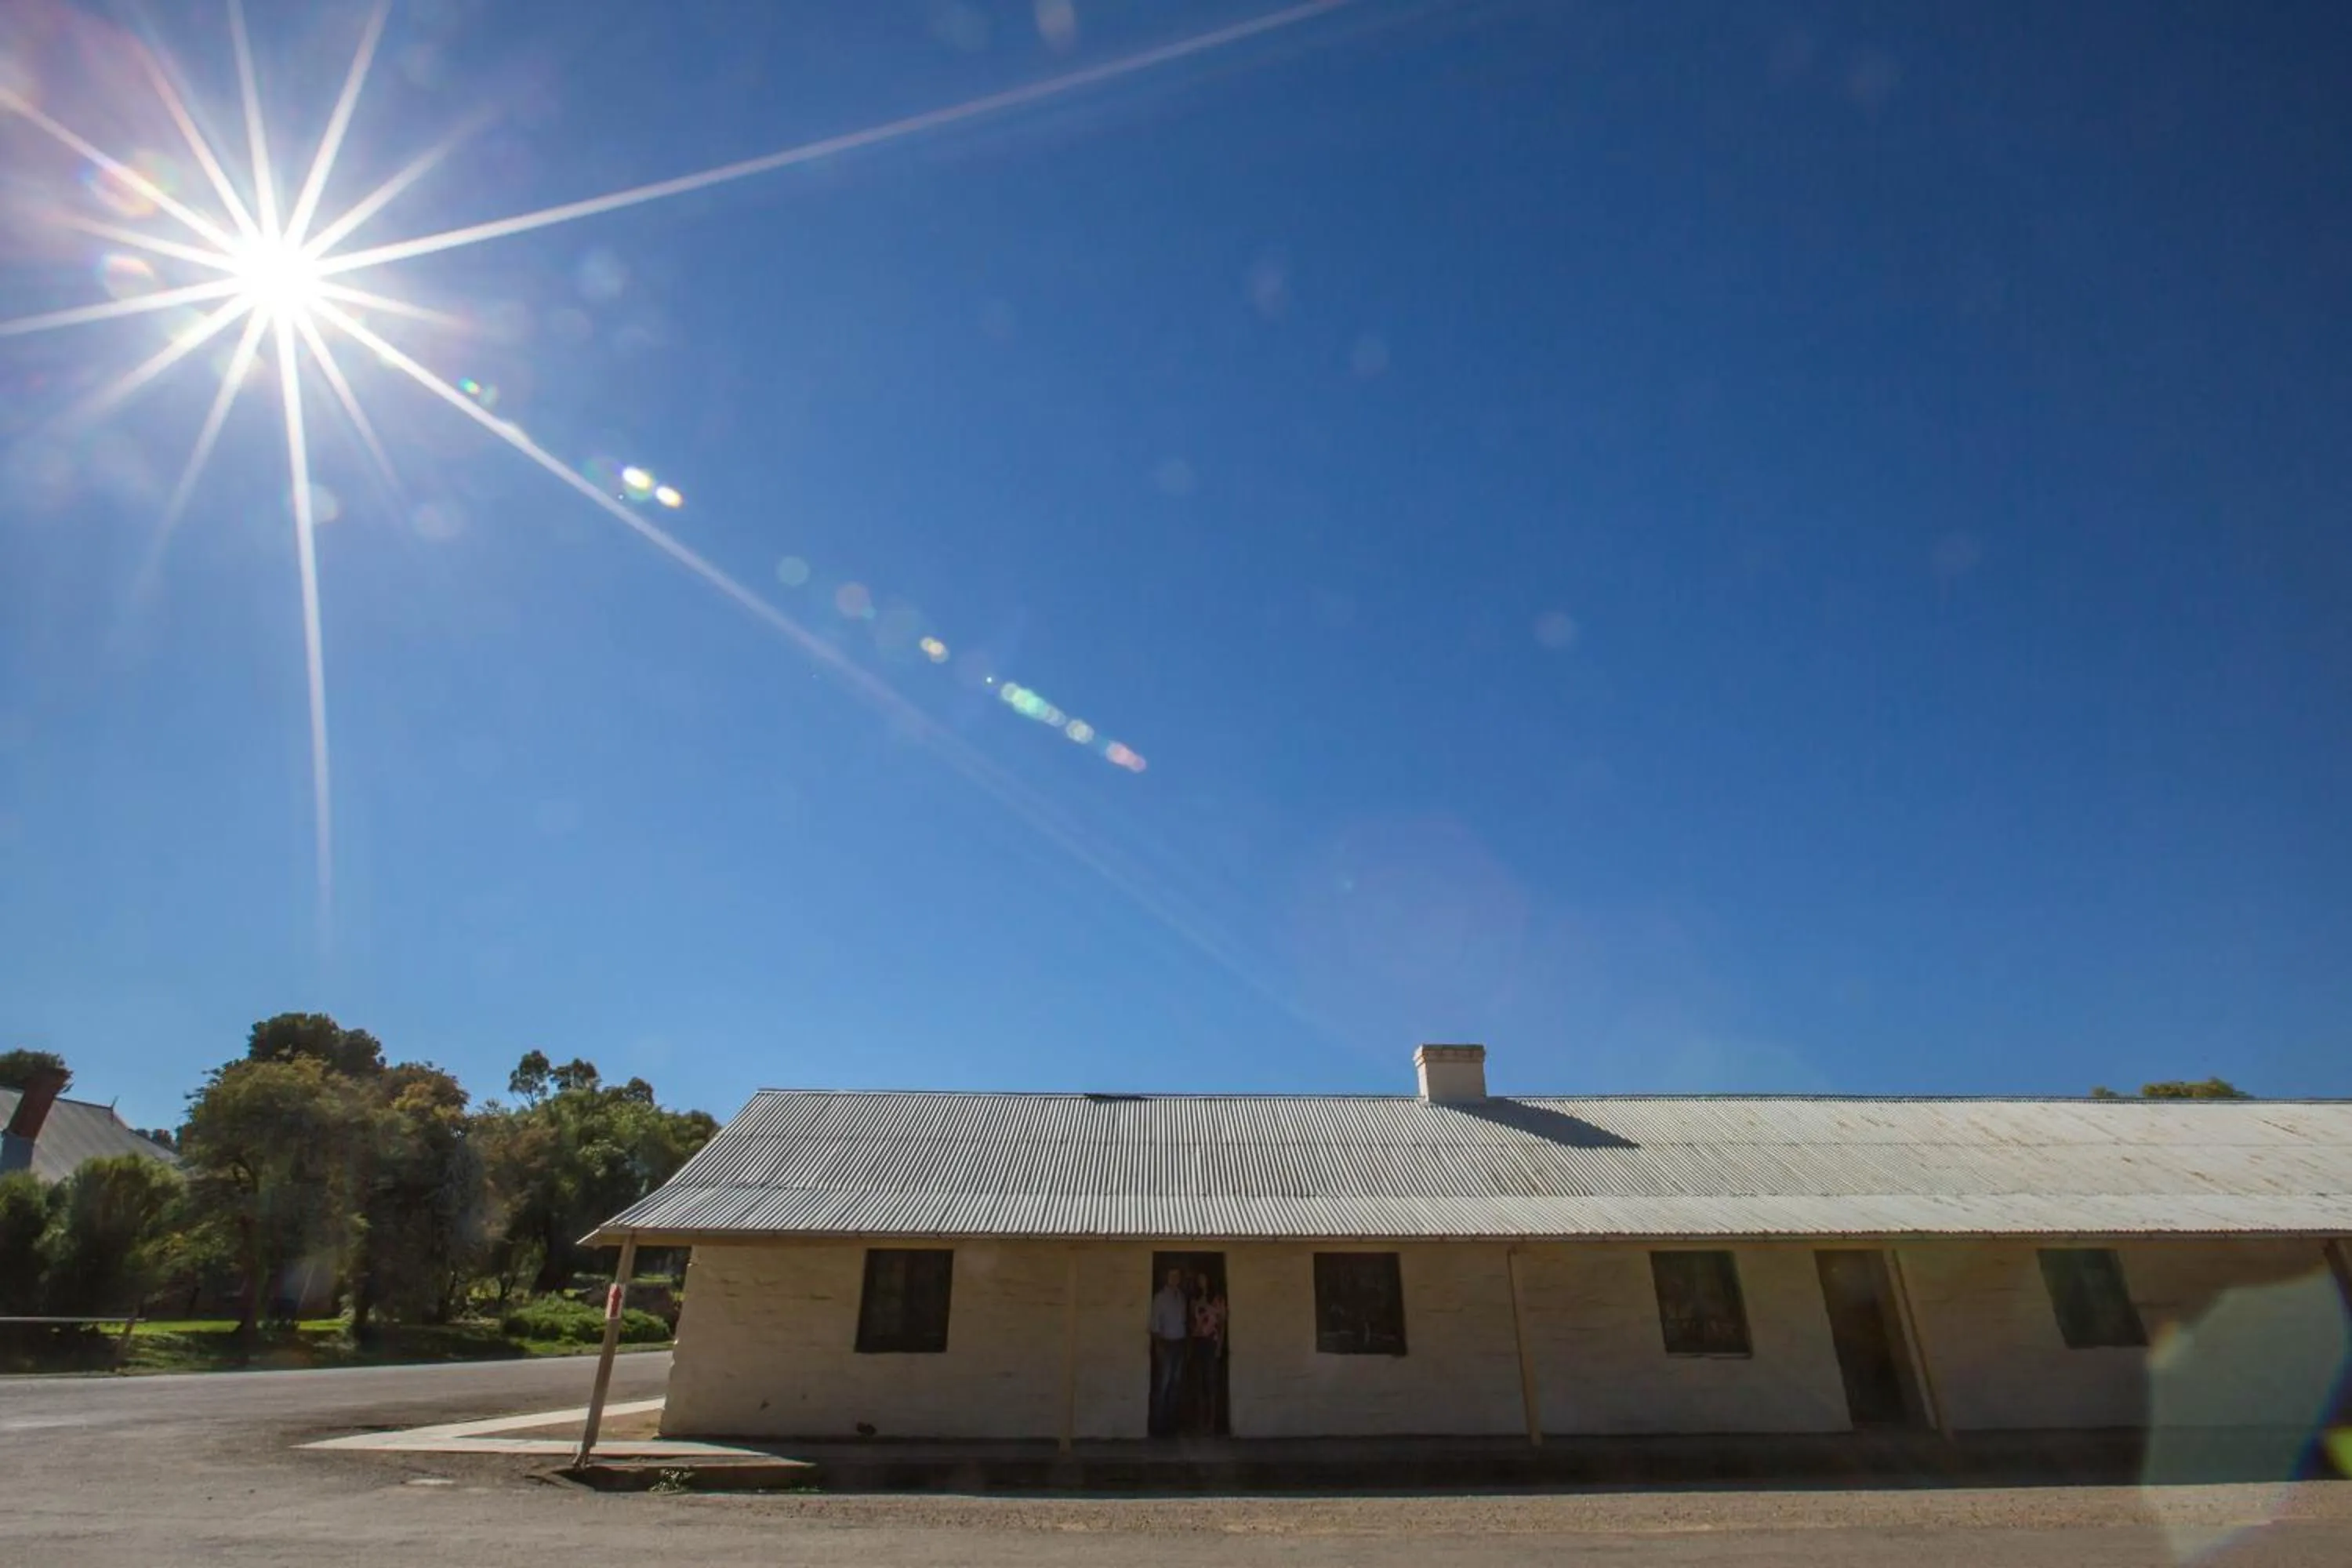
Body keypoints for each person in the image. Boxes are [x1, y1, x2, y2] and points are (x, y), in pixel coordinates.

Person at [1149, 1265, 1190, 1436]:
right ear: (1166, 1277)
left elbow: (1184, 1322)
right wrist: (1159, 1346)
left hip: (1179, 1343)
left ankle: (1171, 1425)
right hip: (1166, 1344)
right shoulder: (1160, 1298)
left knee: (1175, 1385)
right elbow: (1155, 1326)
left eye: (1177, 1276)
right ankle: (1159, 1426)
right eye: (1172, 1275)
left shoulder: (1181, 1297)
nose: (1175, 1279)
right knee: (1163, 1385)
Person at [1189, 1270, 1229, 1433]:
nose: (1202, 1282)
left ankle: (1211, 1423)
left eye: (1204, 1279)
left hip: (1211, 1343)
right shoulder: (1194, 1300)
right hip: (1198, 1343)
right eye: (1199, 1279)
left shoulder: (1218, 1299)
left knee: (1211, 1384)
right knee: (1199, 1384)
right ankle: (1200, 1422)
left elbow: (1222, 1324)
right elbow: (1190, 1322)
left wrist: (1219, 1346)